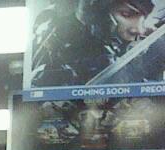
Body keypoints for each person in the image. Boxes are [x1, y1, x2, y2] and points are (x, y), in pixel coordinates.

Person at [30, 0, 162, 87]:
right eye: (126, 14)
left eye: (142, 19)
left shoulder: (128, 45)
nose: (138, 30)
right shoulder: (60, 37)